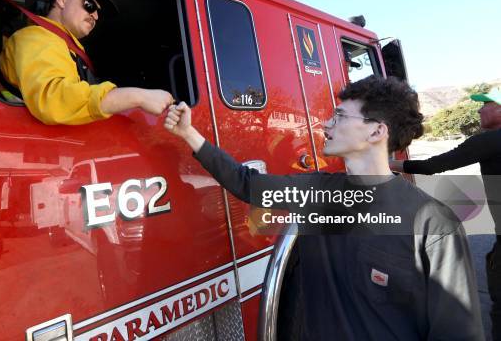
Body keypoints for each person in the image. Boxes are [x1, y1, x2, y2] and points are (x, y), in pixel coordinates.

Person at [165, 76, 484, 340]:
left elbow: (457, 333)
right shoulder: (317, 191)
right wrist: (188, 134)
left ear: (376, 131)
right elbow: (246, 184)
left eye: (340, 117)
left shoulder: (431, 223)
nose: (326, 124)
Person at [391, 87, 501, 339]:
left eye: (486, 104)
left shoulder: (489, 140)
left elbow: (433, 165)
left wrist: (386, 164)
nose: (480, 109)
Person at [0, 0, 173, 125]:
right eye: (89, 5)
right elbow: (54, 100)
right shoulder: (36, 38)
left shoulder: (65, 45)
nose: (95, 16)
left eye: (98, 12)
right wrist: (139, 97)